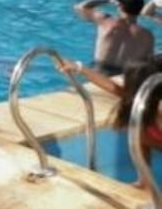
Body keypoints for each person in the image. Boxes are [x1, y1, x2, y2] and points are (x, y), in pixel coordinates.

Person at [58, 58, 162, 189]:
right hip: (154, 137)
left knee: (140, 134)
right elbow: (110, 85)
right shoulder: (139, 97)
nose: (125, 84)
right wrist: (80, 68)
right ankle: (144, 181)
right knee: (138, 136)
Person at [74, 0, 155, 75]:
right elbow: (148, 63)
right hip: (123, 75)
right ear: (140, 10)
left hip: (99, 71)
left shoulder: (105, 21)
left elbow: (81, 7)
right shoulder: (147, 35)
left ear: (119, 6)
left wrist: (107, 0)